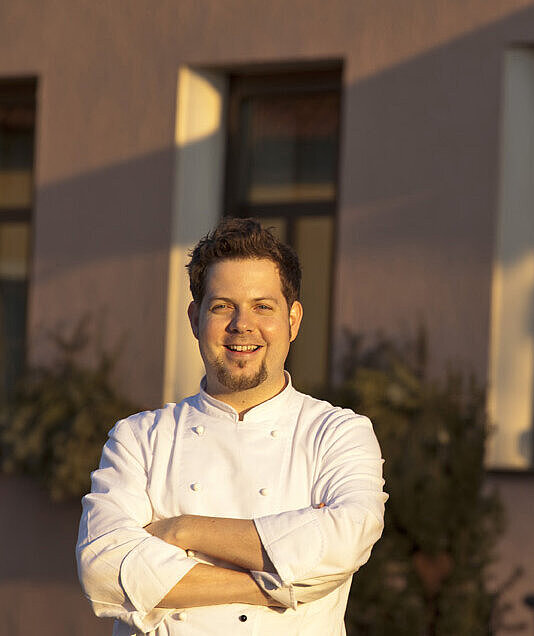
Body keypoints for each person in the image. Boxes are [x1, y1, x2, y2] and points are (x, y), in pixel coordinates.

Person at [76, 217, 387, 635]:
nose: (242, 324)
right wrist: (276, 585)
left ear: (293, 320)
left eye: (263, 307)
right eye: (223, 306)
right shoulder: (139, 438)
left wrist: (183, 529)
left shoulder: (337, 433)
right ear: (194, 318)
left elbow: (345, 539)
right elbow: (103, 567)